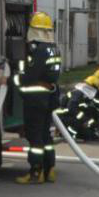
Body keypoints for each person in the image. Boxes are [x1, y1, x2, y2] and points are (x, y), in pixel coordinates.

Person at [14, 11, 62, 185]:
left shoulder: (37, 50)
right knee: (45, 136)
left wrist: (13, 78)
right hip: (49, 96)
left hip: (35, 98)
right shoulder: (54, 47)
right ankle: (50, 170)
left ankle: (36, 172)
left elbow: (29, 76)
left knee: (35, 137)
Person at [57, 66, 99, 141]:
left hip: (71, 115)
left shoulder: (84, 93)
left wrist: (94, 122)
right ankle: (68, 134)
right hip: (65, 116)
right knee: (80, 123)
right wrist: (86, 119)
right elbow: (72, 109)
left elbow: (86, 108)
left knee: (92, 137)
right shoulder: (78, 93)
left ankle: (76, 132)